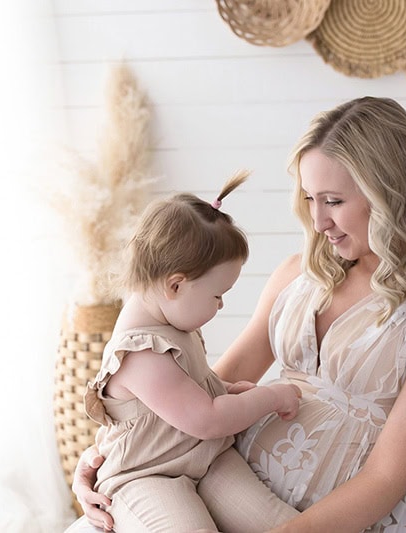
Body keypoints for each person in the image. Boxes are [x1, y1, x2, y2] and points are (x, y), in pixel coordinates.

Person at [70, 96, 406, 532]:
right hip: (222, 482)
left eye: (334, 200)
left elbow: (386, 478)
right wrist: (106, 460)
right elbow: (199, 395)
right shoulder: (301, 275)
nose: (319, 220)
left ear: (391, 196)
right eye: (310, 198)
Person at [80, 169, 304, 533]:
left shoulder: (171, 323)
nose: (220, 307)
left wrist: (227, 390)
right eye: (217, 295)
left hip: (205, 457)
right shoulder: (140, 354)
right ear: (176, 285)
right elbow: (208, 418)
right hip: (147, 476)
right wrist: (271, 397)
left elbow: (190, 391)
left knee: (278, 524)